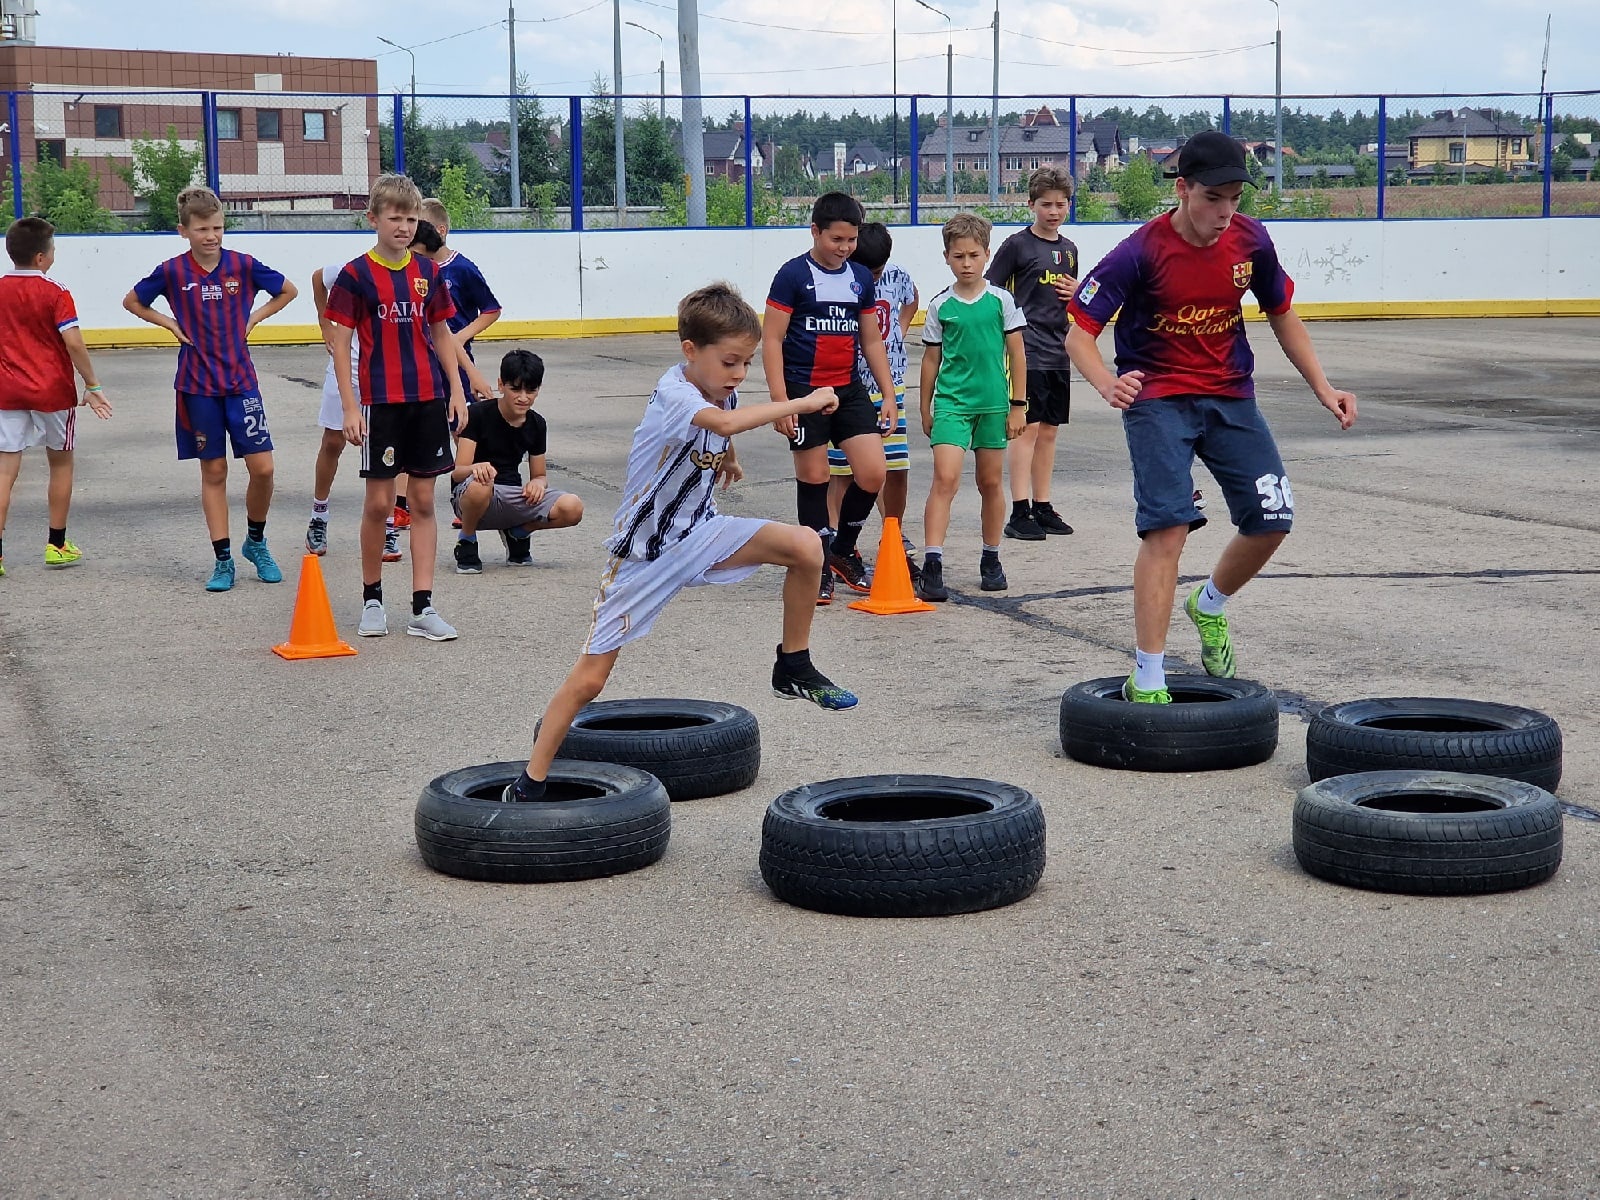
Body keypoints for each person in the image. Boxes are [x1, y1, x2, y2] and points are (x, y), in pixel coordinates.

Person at [501, 283, 857, 805]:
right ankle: (529, 782)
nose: (738, 375)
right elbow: (724, 419)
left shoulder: (718, 387)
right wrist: (800, 402)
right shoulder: (676, 393)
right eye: (731, 362)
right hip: (644, 556)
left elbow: (725, 421)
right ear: (690, 351)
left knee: (807, 546)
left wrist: (729, 457)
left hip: (701, 533)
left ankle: (793, 664)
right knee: (591, 680)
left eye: (746, 363)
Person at [1065, 130, 1357, 704]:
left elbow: (1281, 313)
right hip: (1159, 399)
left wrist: (1323, 386)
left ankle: (1210, 604)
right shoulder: (1139, 251)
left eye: (1235, 199)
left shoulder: (1250, 240)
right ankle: (1148, 674)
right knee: (1168, 526)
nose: (1225, 213)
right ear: (1182, 190)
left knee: (1273, 517)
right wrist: (1107, 383)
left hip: (1230, 395)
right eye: (1212, 198)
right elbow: (1079, 333)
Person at [122, 185, 297, 592]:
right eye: (202, 228)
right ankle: (223, 560)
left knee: (264, 468)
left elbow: (287, 290)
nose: (212, 236)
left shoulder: (242, 265)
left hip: (241, 382)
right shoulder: (172, 271)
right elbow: (132, 301)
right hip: (197, 386)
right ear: (183, 230)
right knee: (214, 470)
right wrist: (168, 324)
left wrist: (255, 318)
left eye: (217, 227)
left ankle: (256, 541)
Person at [323, 174, 468, 641]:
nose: (404, 227)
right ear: (373, 219)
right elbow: (339, 342)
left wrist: (457, 390)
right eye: (395, 218)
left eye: (410, 219)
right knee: (380, 503)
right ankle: (371, 600)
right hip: (381, 402)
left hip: (426, 400)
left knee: (423, 500)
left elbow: (442, 333)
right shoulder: (355, 275)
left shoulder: (428, 273)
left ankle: (423, 607)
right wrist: (349, 407)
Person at [763, 192, 898, 604]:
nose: (844, 248)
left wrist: (887, 393)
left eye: (851, 240)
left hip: (848, 390)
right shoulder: (791, 275)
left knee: (873, 473)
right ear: (815, 231)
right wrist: (780, 402)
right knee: (815, 478)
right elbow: (772, 339)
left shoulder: (860, 277)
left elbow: (871, 340)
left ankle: (841, 550)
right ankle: (817, 564)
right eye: (835, 240)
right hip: (805, 392)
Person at [916, 213, 1027, 602]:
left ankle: (991, 557)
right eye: (958, 256)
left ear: (986, 256)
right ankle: (933, 563)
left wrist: (1018, 405)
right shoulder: (940, 306)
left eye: (974, 255)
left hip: (994, 405)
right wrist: (925, 407)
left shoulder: (1001, 300)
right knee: (945, 478)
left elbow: (1016, 352)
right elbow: (931, 360)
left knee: (990, 482)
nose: (966, 263)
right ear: (946, 257)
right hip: (952, 404)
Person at [0, 217, 113, 577]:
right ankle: (57, 543)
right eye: (52, 250)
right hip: (52, 390)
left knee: (5, 468)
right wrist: (92, 385)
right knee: (61, 462)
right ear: (40, 258)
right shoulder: (56, 292)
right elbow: (74, 342)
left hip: (8, 389)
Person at [987, 165, 1079, 541]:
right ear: (1031, 205)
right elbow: (991, 290)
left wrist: (1080, 294)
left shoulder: (1070, 250)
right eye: (1046, 204)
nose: (1054, 211)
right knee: (1027, 430)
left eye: (1061, 204)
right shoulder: (1017, 246)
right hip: (1028, 351)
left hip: (1060, 351)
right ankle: (1019, 510)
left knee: (1050, 432)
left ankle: (1042, 505)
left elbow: (1077, 302)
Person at [825, 221, 920, 581]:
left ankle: (892, 534)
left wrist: (900, 328)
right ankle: (835, 544)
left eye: (879, 270)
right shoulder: (842, 280)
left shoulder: (896, 275)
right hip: (849, 389)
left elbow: (912, 297)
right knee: (844, 472)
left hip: (888, 387)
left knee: (894, 467)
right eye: (870, 270)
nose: (875, 276)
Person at [450, 348, 583, 573]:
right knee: (481, 485)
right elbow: (457, 472)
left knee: (573, 507)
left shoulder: (537, 424)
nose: (523, 397)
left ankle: (519, 532)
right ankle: (467, 539)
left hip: (512, 494)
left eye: (530, 390)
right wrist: (476, 468)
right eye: (515, 389)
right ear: (501, 385)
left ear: (538, 390)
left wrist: (537, 484)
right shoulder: (479, 415)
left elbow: (540, 475)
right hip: (474, 494)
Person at [418, 197, 499, 402]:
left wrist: (461, 337)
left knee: (461, 425)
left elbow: (491, 309)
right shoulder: (415, 269)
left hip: (457, 359)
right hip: (422, 361)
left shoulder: (462, 268)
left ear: (441, 230)